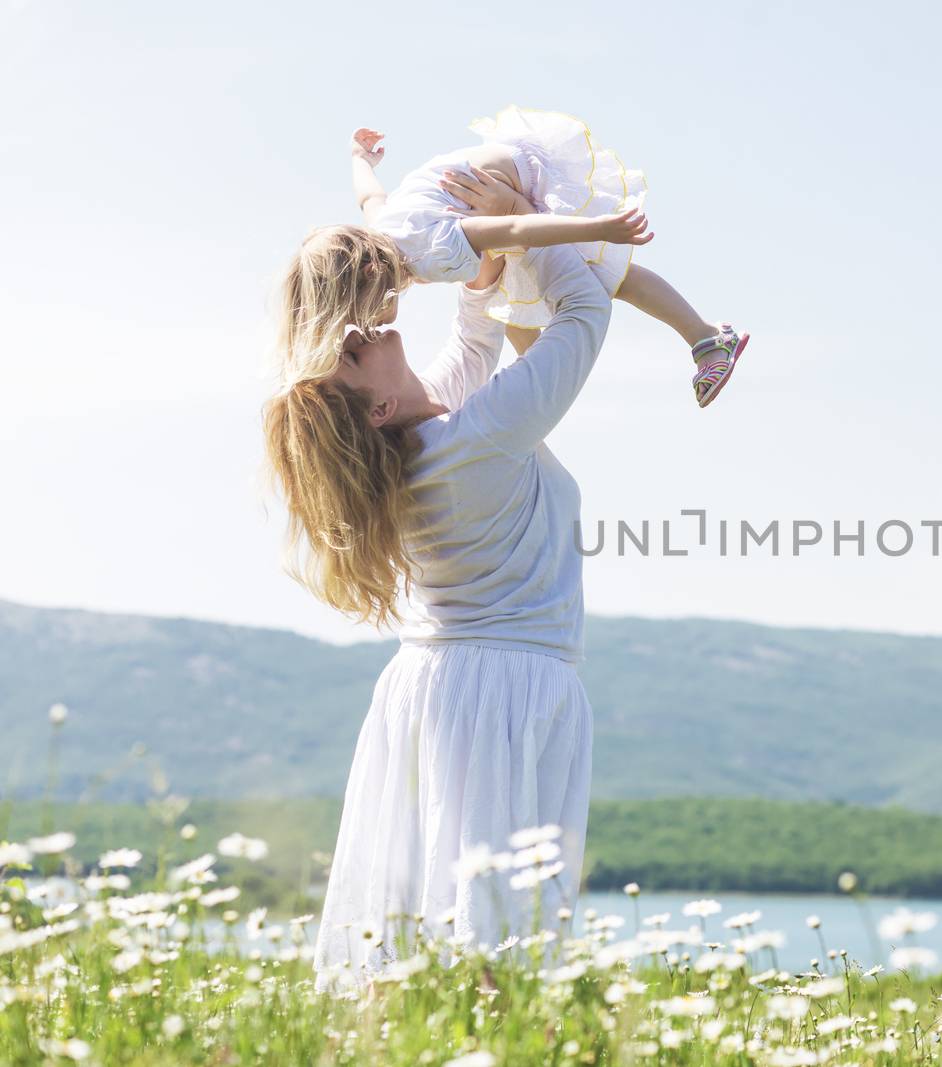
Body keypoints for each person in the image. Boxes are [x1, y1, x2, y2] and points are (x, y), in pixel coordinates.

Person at [261, 220, 615, 993]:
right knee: (492, 923)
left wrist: (482, 283)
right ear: (378, 408)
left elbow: (469, 350)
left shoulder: (424, 444)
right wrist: (531, 217)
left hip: (434, 686)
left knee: (429, 916)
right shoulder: (477, 438)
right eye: (351, 354)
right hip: (507, 689)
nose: (362, 332)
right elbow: (586, 316)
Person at [276, 106, 749, 408]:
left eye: (363, 313)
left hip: (521, 184)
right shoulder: (381, 231)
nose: (369, 327)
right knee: (510, 298)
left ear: (373, 277)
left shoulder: (428, 252)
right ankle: (538, 380)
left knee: (609, 278)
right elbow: (368, 197)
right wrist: (360, 158)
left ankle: (707, 338)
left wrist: (599, 228)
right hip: (500, 168)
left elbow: (516, 226)